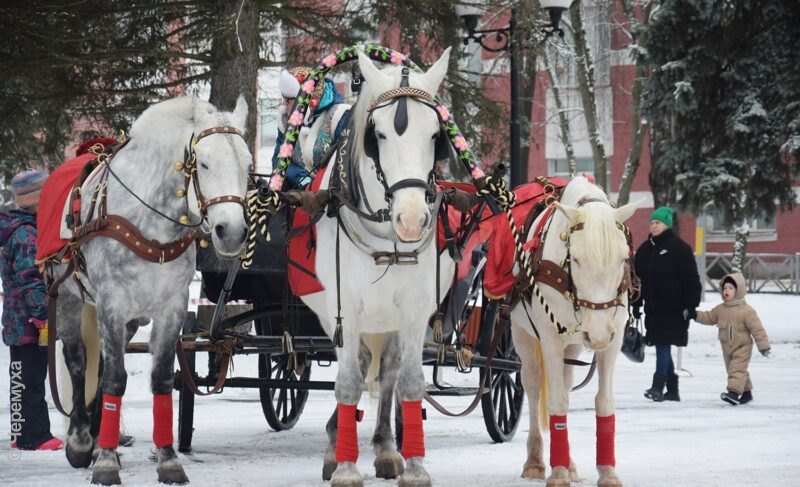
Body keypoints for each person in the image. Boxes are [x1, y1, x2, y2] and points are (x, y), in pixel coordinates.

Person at [2, 169, 63, 450]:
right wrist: (42, 318)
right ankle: (35, 436)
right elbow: (30, 281)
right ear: (37, 200)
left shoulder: (20, 228)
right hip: (29, 320)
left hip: (17, 320)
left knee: (20, 379)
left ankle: (19, 434)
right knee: (32, 380)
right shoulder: (27, 234)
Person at [632, 206, 702, 402]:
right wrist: (636, 305)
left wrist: (690, 305)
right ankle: (672, 390)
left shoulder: (679, 248)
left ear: (667, 225)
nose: (654, 226)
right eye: (652, 223)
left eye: (658, 223)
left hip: (675, 308)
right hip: (653, 309)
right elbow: (637, 279)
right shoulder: (645, 249)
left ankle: (657, 386)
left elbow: (691, 279)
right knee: (663, 345)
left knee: (663, 344)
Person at [693, 273, 771, 405]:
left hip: (743, 346)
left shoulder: (747, 310)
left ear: (738, 290)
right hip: (727, 347)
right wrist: (694, 314)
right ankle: (747, 393)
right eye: (725, 288)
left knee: (736, 369)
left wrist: (763, 347)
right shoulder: (721, 309)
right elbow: (708, 317)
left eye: (730, 288)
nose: (727, 291)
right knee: (736, 370)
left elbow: (757, 329)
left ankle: (733, 393)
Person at [273, 67, 349, 189]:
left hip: (333, 196)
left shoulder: (340, 117)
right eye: (283, 98)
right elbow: (279, 162)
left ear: (307, 98)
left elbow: (344, 163)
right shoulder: (286, 121)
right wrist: (303, 180)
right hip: (298, 193)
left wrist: (317, 185)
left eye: (288, 99)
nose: (284, 104)